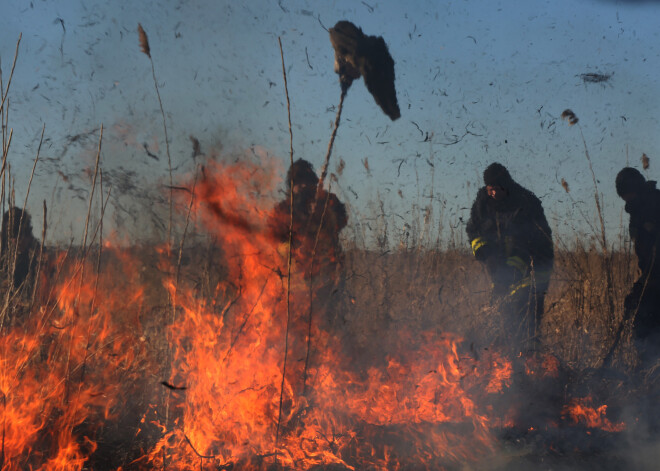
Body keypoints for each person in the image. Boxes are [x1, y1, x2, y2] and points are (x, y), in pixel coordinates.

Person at [267, 159, 348, 398]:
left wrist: (321, 202)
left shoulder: (326, 204)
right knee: (293, 344)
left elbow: (341, 220)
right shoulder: (283, 211)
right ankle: (294, 390)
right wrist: (294, 228)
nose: (302, 188)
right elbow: (272, 236)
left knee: (326, 341)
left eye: (306, 183)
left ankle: (325, 390)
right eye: (297, 184)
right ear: (290, 186)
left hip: (326, 286)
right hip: (294, 290)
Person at [466, 163, 554, 353]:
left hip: (533, 268)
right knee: (500, 312)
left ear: (507, 186)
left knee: (526, 314)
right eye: (491, 189)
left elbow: (531, 242)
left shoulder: (526, 202)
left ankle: (532, 364)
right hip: (503, 266)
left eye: (498, 189)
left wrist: (513, 268)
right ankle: (505, 361)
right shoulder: (482, 202)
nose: (494, 194)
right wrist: (485, 253)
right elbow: (474, 229)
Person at [615, 167, 660, 366]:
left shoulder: (653, 204)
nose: (625, 199)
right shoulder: (638, 209)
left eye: (626, 193)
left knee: (646, 328)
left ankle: (650, 378)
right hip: (652, 277)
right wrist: (641, 284)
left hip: (656, 279)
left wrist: (646, 284)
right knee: (643, 327)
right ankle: (649, 379)